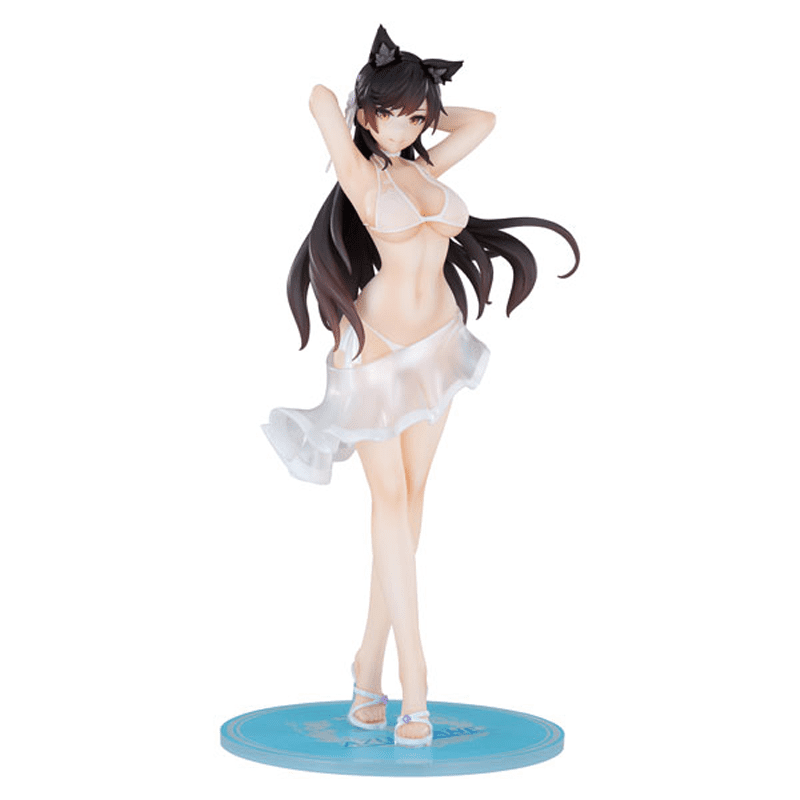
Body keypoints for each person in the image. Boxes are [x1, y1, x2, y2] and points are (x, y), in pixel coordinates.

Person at [263, 25, 579, 747]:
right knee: (390, 504)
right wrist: (365, 104)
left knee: (411, 505)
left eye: (416, 117)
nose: (405, 127)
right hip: (375, 355)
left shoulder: (425, 161)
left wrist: (420, 103)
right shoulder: (360, 175)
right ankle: (414, 682)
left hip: (435, 346)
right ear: (368, 115)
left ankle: (365, 666)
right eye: (391, 115)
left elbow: (484, 120)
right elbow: (318, 97)